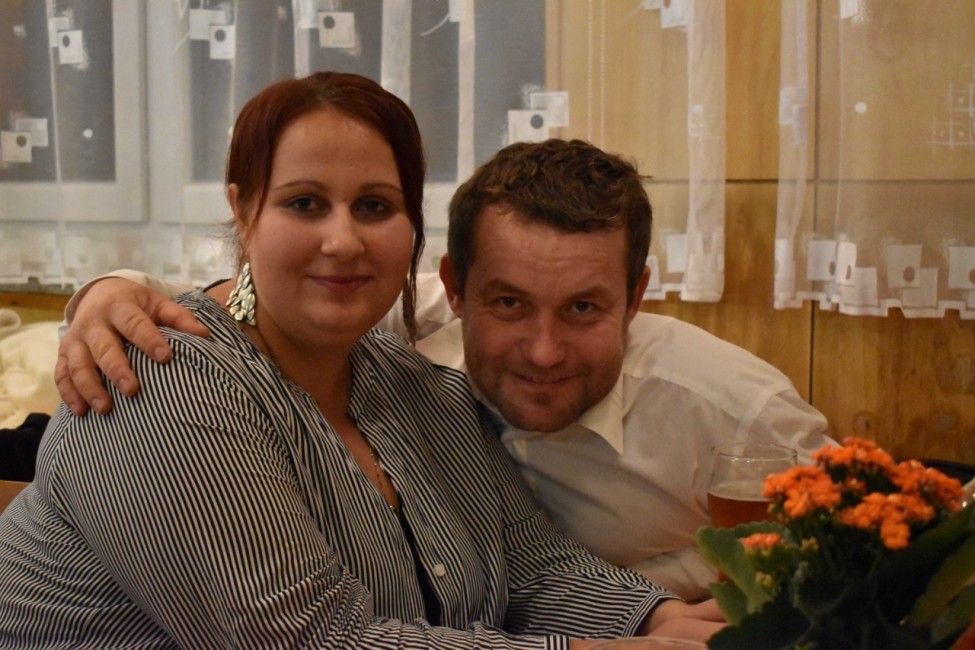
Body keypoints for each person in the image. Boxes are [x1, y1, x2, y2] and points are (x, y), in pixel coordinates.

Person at [0, 73, 724, 648]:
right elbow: (311, 639)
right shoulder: (162, 382)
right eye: (305, 203)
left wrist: (656, 619)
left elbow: (534, 565)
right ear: (244, 213)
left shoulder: (418, 386)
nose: (344, 241)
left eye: (375, 206)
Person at [56, 140, 833, 603]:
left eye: (583, 309)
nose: (542, 350)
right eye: (508, 303)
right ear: (455, 290)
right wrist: (113, 291)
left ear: (634, 297)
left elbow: (853, 554)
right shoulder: (406, 327)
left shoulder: (737, 412)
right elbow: (258, 299)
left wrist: (657, 597)